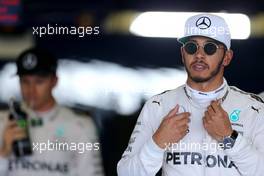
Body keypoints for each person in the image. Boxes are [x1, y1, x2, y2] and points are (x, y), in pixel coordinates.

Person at [117, 13, 264, 176]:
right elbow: (126, 173)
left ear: (227, 57)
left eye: (210, 48)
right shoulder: (158, 105)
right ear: (182, 53)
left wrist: (229, 138)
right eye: (191, 47)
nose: (199, 55)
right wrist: (157, 143)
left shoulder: (253, 109)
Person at [0, 48, 104, 176]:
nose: (31, 90)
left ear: (54, 81)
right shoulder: (4, 122)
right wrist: (4, 153)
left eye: (39, 82)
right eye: (25, 81)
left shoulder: (80, 126)